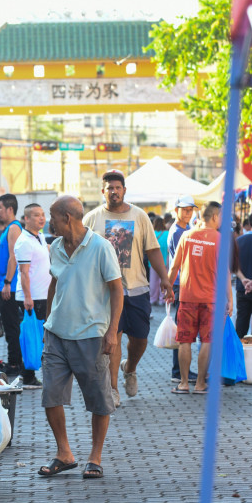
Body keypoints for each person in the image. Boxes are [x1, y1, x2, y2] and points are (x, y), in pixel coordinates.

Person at [37, 196, 122, 480]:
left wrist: (112, 332)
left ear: (67, 218)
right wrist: (48, 321)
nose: (48, 222)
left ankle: (95, 457)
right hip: (57, 335)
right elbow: (54, 283)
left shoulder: (101, 247)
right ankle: (64, 453)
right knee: (50, 395)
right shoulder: (56, 247)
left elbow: (117, 289)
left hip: (91, 336)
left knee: (99, 400)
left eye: (52, 216)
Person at [83, 169, 173, 406]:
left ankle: (130, 368)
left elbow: (152, 249)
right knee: (113, 339)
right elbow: (81, 253)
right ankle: (113, 389)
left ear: (124, 190)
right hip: (105, 292)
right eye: (109, 188)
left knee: (140, 339)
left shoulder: (139, 215)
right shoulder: (92, 218)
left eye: (117, 187)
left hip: (137, 289)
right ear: (103, 191)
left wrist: (164, 279)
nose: (114, 191)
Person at [168, 201, 232, 394]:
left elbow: (174, 266)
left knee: (185, 340)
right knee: (207, 340)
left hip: (187, 297)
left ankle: (184, 383)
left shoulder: (186, 235)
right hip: (212, 299)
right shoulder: (220, 239)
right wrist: (230, 299)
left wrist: (168, 289)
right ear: (214, 217)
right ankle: (201, 384)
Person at [0, 194, 37, 385]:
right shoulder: (8, 229)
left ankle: (16, 364)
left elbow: (14, 257)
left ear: (9, 209)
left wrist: (7, 282)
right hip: (3, 285)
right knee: (9, 326)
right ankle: (16, 362)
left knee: (12, 327)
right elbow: (3, 257)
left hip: (11, 288)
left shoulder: (14, 228)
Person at [14, 204, 51, 388]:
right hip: (31, 298)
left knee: (38, 335)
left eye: (43, 215)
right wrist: (28, 297)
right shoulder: (24, 242)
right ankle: (27, 376)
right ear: (27, 219)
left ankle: (28, 372)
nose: (41, 218)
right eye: (36, 215)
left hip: (42, 295)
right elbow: (24, 273)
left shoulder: (40, 237)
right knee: (30, 335)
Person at [167, 195, 198, 384]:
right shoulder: (179, 232)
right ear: (176, 209)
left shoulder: (186, 229)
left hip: (183, 283)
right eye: (185, 209)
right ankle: (178, 371)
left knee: (184, 328)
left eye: (191, 209)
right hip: (181, 284)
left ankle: (180, 370)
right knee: (183, 329)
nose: (188, 213)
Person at [149, 217, 169, 305]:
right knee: (163, 280)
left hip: (153, 261)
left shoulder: (151, 234)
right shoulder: (168, 233)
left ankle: (153, 299)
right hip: (165, 260)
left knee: (153, 281)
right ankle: (162, 299)